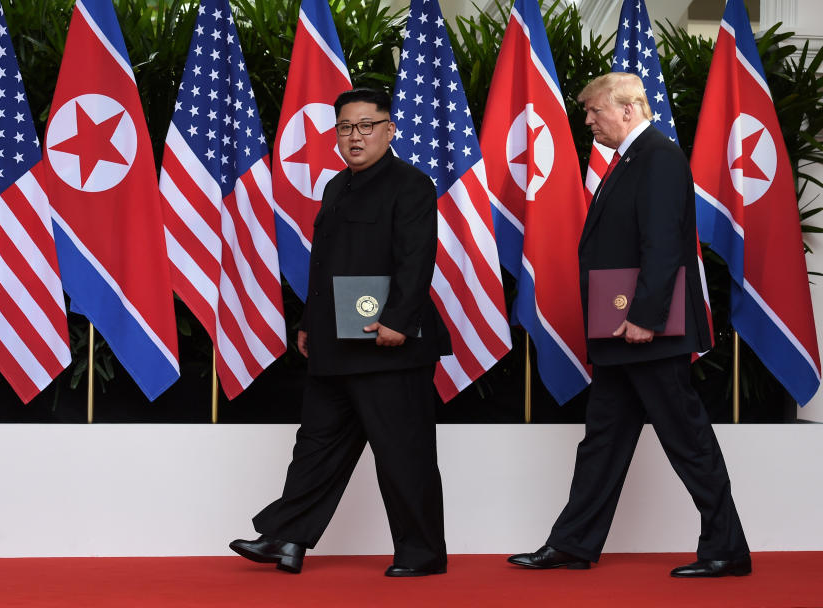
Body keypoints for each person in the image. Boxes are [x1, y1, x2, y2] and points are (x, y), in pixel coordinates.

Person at [508, 72, 751, 578]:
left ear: (628, 108)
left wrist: (645, 317)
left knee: (686, 439)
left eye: (593, 110)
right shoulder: (634, 159)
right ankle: (573, 544)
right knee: (602, 439)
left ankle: (727, 549)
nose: (587, 119)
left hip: (645, 332)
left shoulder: (657, 157)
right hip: (621, 332)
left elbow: (662, 244)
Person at [230, 88, 451, 577]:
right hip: (334, 341)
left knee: (402, 453)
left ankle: (422, 554)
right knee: (315, 445)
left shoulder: (411, 183)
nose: (355, 136)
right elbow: (325, 265)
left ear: (390, 129)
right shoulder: (335, 186)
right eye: (346, 127)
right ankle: (286, 540)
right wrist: (309, 322)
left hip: (388, 342)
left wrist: (399, 319)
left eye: (366, 126)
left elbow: (418, 258)